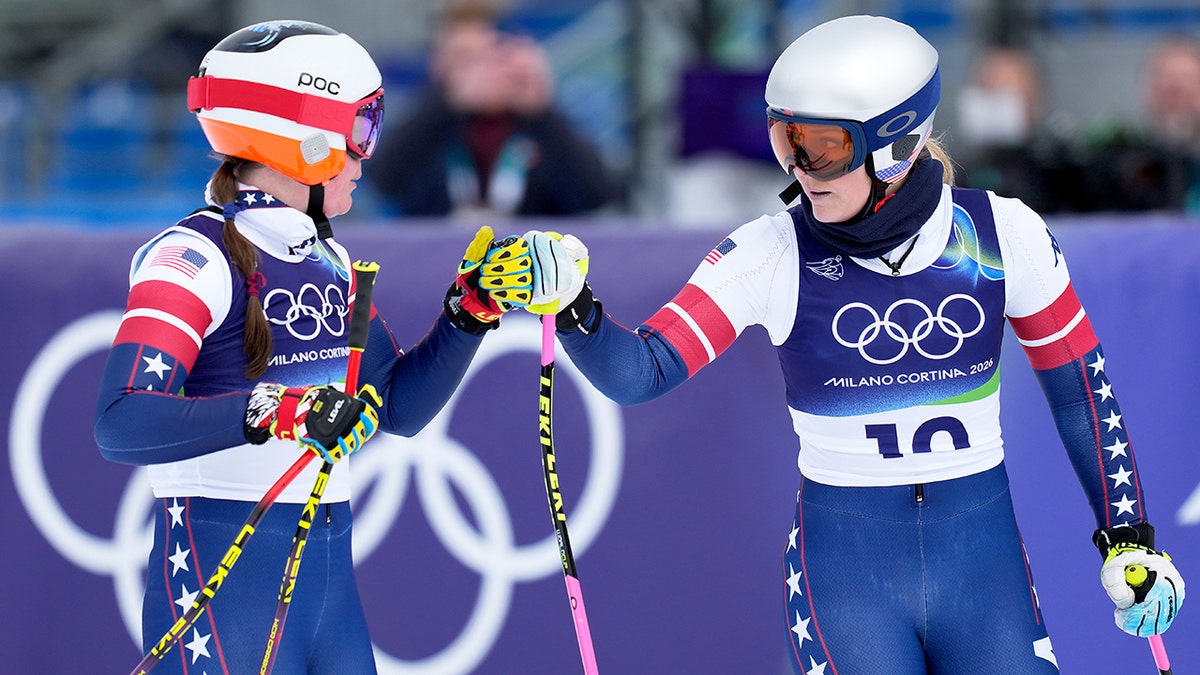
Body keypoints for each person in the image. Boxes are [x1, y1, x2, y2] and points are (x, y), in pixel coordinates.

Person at [522, 15, 1185, 673]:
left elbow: (1081, 393)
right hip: (849, 582)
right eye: (786, 142)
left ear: (897, 144)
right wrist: (575, 307)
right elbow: (641, 371)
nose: (801, 170)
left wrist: (1129, 539)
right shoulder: (770, 252)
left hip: (983, 576)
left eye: (823, 147)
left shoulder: (1000, 234)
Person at [93, 20, 531, 674]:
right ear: (304, 139)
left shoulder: (326, 258)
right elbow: (120, 419)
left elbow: (397, 407)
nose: (367, 156)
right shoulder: (192, 258)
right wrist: (276, 411)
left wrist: (469, 312)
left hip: (327, 586)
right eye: (361, 130)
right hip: (224, 586)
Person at [367, 0, 613, 218]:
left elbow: (596, 194)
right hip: (438, 249)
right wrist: (448, 105)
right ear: (437, 62)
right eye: (461, 57)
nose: (474, 70)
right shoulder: (426, 116)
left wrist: (542, 110)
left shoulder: (535, 120)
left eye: (482, 56)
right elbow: (384, 181)